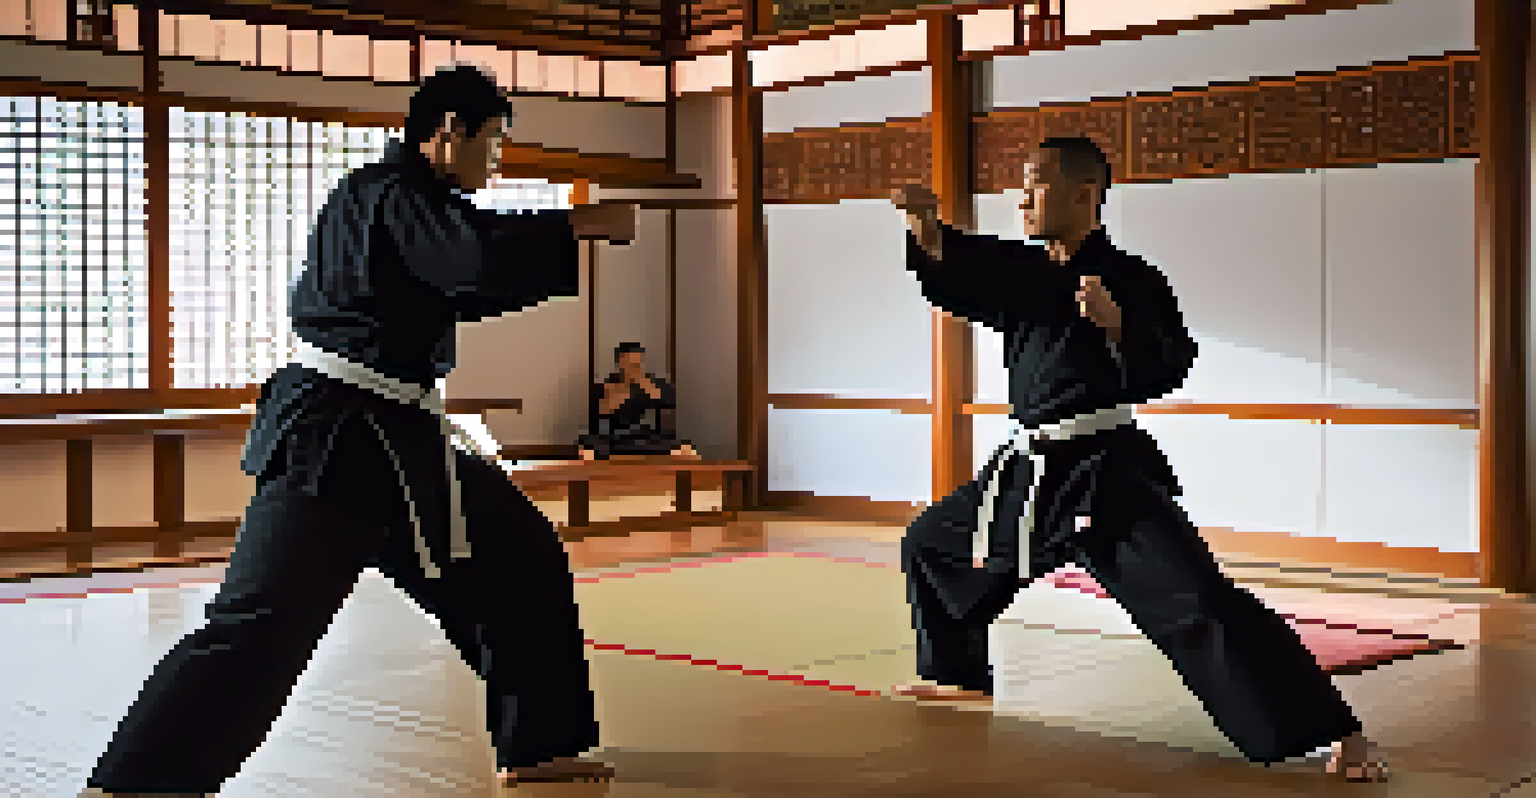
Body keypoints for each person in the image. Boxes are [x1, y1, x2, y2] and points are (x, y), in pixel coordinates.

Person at [81, 64, 635, 796]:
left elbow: (460, 280)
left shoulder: (413, 205)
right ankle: (131, 784)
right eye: (494, 142)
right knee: (260, 623)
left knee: (521, 560)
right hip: (338, 438)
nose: (498, 160)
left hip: (400, 439)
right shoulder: (390, 194)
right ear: (449, 131)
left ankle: (542, 746)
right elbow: (472, 261)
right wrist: (577, 225)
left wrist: (556, 240)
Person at [888, 136, 1388, 782]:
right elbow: (960, 274)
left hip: (1106, 476)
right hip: (1031, 473)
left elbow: (1171, 364)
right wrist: (925, 228)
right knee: (932, 545)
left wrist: (1117, 324)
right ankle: (956, 677)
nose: (1022, 197)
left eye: (1036, 184)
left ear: (1084, 194)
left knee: (1199, 601)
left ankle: (1336, 730)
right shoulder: (1024, 272)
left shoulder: (1135, 280)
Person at [577, 342, 697, 460]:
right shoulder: (606, 387)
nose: (635, 369)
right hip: (615, 439)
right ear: (620, 364)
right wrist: (624, 391)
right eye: (631, 365)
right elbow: (599, 412)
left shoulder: (652, 384)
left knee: (667, 443)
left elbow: (671, 400)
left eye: (638, 365)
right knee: (587, 442)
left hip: (646, 438)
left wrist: (650, 389)